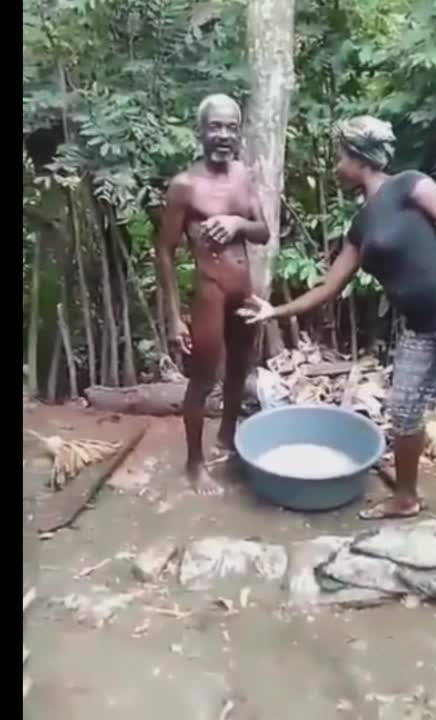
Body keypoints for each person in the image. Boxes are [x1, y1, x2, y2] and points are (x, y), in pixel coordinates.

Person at [238, 116, 436, 519]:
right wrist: (274, 311)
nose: (337, 165)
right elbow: (329, 287)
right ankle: (406, 498)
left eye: (341, 156)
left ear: (361, 158)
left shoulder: (410, 185)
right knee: (404, 413)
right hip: (418, 329)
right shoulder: (361, 224)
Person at [156, 94, 270, 496]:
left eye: (231, 127)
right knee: (204, 377)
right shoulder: (185, 187)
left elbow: (263, 232)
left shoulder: (243, 175)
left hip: (243, 290)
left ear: (239, 133)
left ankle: (227, 437)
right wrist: (174, 316)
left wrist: (236, 222)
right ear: (201, 131)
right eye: (215, 127)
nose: (223, 135)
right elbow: (164, 251)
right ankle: (194, 463)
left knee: (240, 367)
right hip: (210, 290)